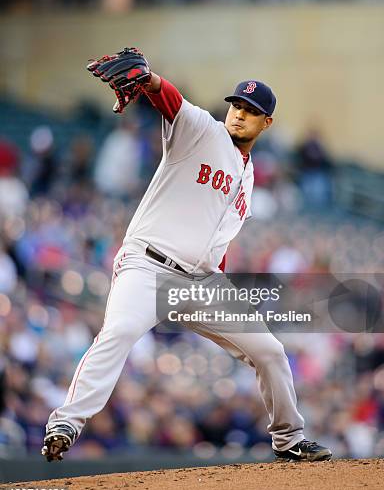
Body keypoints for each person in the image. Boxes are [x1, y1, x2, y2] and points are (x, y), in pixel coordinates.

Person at [41, 48, 332, 463]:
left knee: (269, 351)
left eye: (250, 111)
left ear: (266, 122)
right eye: (236, 105)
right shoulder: (203, 130)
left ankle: (289, 439)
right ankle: (66, 423)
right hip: (148, 266)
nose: (239, 114)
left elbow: (219, 242)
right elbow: (170, 99)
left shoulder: (248, 176)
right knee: (119, 332)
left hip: (203, 282)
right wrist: (148, 79)